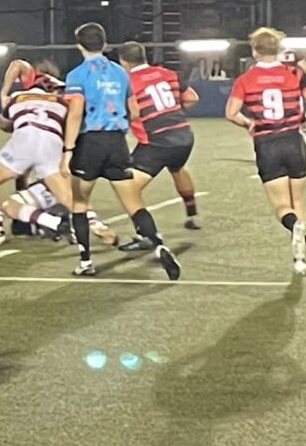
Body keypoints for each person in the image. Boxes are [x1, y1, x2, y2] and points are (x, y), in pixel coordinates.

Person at [56, 22, 178, 279]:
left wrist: (67, 150)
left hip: (90, 143)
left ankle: (85, 261)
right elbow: (134, 110)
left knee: (79, 202)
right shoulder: (120, 73)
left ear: (79, 45)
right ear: (104, 43)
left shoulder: (77, 75)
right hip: (116, 143)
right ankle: (159, 246)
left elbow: (75, 114)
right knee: (134, 203)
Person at [227, 27, 306, 275]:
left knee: (281, 205)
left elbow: (231, 113)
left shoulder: (245, 79)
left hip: (267, 144)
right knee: (298, 199)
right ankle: (300, 258)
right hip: (293, 140)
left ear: (255, 51)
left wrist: (248, 123)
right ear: (278, 50)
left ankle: (293, 225)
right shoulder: (294, 74)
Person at [0, 59, 69, 243]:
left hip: (29, 142)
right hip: (57, 149)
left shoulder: (23, 91)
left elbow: (17, 64)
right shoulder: (63, 97)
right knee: (66, 197)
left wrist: (4, 95)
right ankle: (90, 224)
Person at [119, 39, 201, 240]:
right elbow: (192, 97)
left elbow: (133, 112)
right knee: (178, 168)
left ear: (123, 62)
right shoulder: (168, 73)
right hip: (183, 135)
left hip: (156, 141)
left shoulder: (127, 81)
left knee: (127, 186)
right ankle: (192, 215)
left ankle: (146, 235)